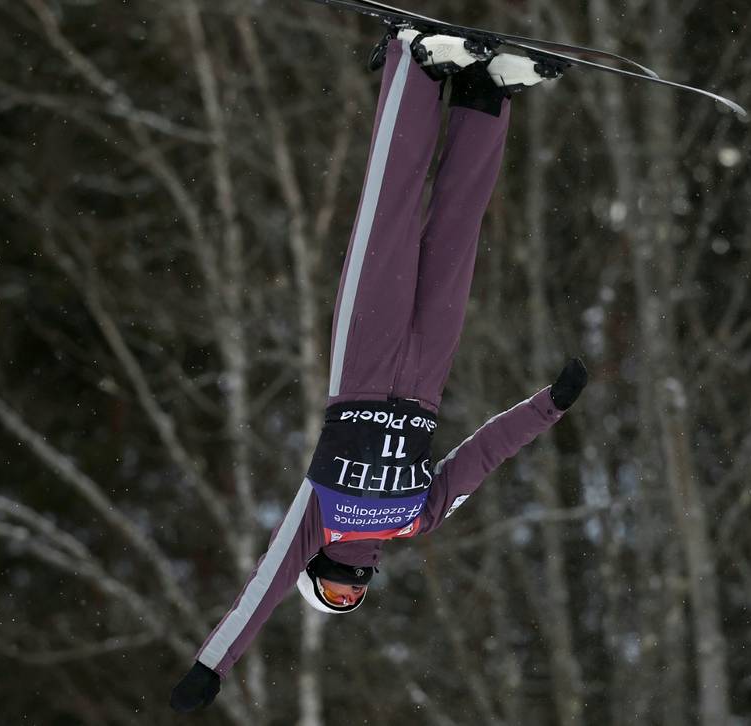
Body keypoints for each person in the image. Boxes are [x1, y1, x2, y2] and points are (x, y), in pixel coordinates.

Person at [170, 29, 588, 713]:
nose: (351, 588)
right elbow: (483, 456)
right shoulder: (413, 523)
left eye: (336, 594)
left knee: (389, 215)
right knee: (457, 236)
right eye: (353, 598)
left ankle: (415, 65)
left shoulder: (317, 522)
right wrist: (550, 405)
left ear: (314, 578)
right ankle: (488, 94)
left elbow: (259, 592)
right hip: (425, 377)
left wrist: (212, 666)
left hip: (362, 367)